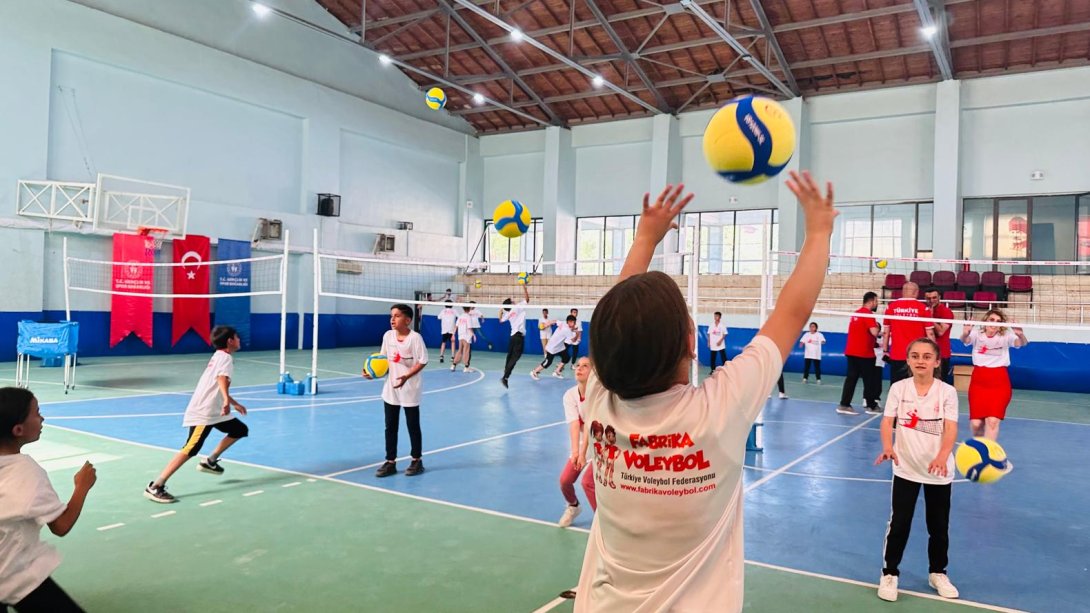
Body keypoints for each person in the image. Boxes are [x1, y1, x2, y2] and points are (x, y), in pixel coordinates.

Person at [573, 172, 836, 612]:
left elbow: (616, 315)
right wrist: (820, 231)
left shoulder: (598, 396)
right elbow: (793, 310)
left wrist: (644, 238)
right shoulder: (719, 410)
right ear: (693, 344)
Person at [874, 337, 960, 603]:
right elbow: (888, 422)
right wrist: (888, 446)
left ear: (936, 362)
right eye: (915, 356)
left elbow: (951, 428)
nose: (920, 360)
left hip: (939, 470)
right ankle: (889, 574)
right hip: (906, 468)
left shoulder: (947, 392)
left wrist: (943, 456)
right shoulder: (899, 389)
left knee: (938, 526)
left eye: (926, 356)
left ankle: (938, 573)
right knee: (899, 523)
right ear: (908, 360)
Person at [1, 388, 95, 612]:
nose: (42, 418)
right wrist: (82, 487)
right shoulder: (27, 473)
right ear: (18, 429)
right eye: (37, 413)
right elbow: (61, 525)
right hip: (14, 574)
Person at [145, 325, 248, 503]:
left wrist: (233, 402)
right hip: (205, 412)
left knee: (239, 429)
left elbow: (215, 384)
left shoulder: (219, 356)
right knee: (191, 448)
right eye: (237, 337)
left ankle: (210, 461)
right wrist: (225, 400)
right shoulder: (225, 359)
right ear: (230, 341)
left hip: (214, 410)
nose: (239, 340)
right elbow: (221, 379)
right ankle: (155, 486)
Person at [365, 304, 429, 477]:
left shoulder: (415, 339)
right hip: (391, 388)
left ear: (407, 320)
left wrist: (407, 376)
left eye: (397, 316)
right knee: (390, 426)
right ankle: (390, 462)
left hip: (410, 388)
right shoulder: (388, 336)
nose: (392, 319)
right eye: (391, 316)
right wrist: (373, 373)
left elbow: (422, 361)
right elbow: (382, 360)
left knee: (412, 426)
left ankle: (417, 460)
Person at [960, 308, 1027, 441]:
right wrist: (965, 333)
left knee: (992, 421)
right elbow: (965, 340)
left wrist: (1020, 335)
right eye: (992, 320)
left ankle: (988, 452)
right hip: (979, 381)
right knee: (976, 424)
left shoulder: (1005, 336)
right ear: (985, 320)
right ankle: (978, 448)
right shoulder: (977, 335)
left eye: (998, 321)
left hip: (999, 381)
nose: (994, 323)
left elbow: (1022, 343)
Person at [557, 357, 596, 528]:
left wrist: (582, 453)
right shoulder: (570, 395)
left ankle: (602, 524)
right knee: (565, 480)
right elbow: (574, 425)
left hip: (603, 444)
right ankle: (573, 507)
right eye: (577, 365)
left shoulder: (598, 393)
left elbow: (589, 425)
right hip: (584, 443)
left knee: (588, 483)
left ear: (594, 372)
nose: (579, 368)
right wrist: (576, 453)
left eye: (585, 366)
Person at [881, 282, 935, 386]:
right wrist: (934, 352)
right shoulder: (923, 308)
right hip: (917, 356)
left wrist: (885, 350)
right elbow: (930, 333)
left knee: (896, 386)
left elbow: (886, 332)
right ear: (917, 292)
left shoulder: (891, 307)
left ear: (903, 292)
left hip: (897, 355)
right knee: (915, 387)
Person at [838, 292, 881, 415]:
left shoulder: (856, 313)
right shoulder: (868, 314)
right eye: (876, 301)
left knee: (851, 379)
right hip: (864, 354)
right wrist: (879, 329)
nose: (877, 304)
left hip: (851, 352)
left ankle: (844, 404)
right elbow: (874, 332)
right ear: (872, 301)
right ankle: (871, 406)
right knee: (869, 380)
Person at [498, 284, 530, 389]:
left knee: (510, 356)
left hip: (512, 337)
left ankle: (505, 374)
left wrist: (501, 310)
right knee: (515, 357)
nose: (513, 301)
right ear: (511, 304)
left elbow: (500, 320)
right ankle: (505, 376)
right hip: (518, 337)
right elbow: (527, 299)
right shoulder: (517, 307)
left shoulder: (508, 313)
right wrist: (525, 288)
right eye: (512, 300)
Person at [532, 316, 578, 380]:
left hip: (560, 347)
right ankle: (534, 372)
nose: (575, 324)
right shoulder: (567, 330)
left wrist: (546, 324)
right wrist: (577, 333)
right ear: (569, 322)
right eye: (574, 322)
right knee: (548, 362)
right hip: (552, 347)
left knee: (566, 357)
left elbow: (555, 321)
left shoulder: (563, 323)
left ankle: (557, 372)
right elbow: (573, 340)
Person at [923, 287, 954, 383]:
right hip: (926, 353)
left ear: (939, 297)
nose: (931, 300)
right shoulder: (923, 310)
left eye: (934, 297)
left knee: (939, 383)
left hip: (941, 353)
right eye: (928, 298)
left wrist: (930, 317)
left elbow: (941, 332)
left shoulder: (946, 312)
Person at [451, 306, 474, 373]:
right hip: (467, 336)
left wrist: (453, 334)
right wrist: (473, 334)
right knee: (466, 351)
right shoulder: (468, 317)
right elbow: (469, 327)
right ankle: (466, 367)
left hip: (460, 335)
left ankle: (453, 365)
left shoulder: (460, 316)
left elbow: (456, 326)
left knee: (460, 351)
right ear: (469, 309)